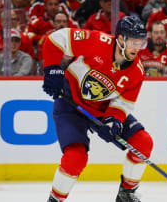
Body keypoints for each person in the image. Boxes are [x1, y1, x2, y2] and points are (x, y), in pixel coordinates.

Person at [42, 16, 154, 202]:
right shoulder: (96, 41)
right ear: (120, 39)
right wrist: (52, 69)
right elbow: (55, 39)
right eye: (134, 41)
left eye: (140, 42)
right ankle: (55, 200)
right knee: (75, 157)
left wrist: (113, 119)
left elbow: (124, 102)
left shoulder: (137, 72)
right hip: (71, 102)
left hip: (101, 109)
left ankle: (126, 193)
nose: (137, 47)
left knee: (143, 142)